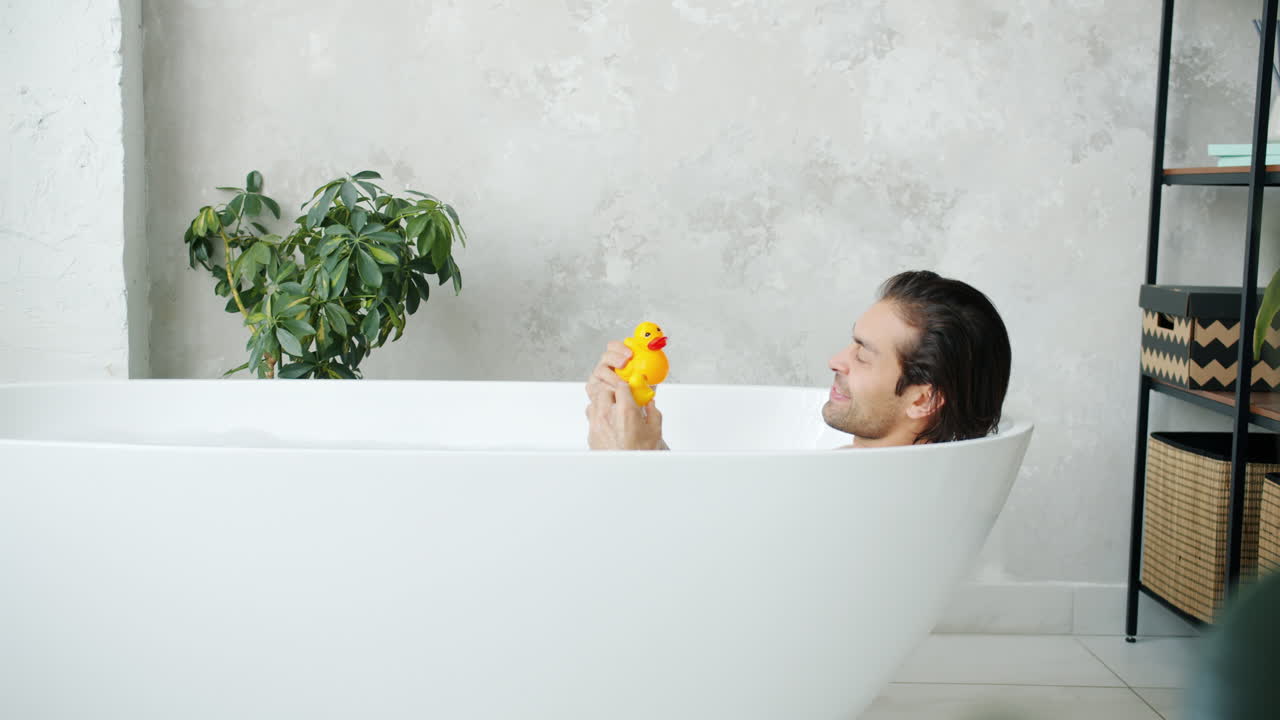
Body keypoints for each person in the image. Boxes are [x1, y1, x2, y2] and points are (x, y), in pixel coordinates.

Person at [584, 270, 1011, 450]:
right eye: (852, 343)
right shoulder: (867, 484)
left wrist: (631, 461)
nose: (836, 360)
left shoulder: (865, 497)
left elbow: (696, 576)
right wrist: (635, 427)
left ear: (922, 400)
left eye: (863, 354)